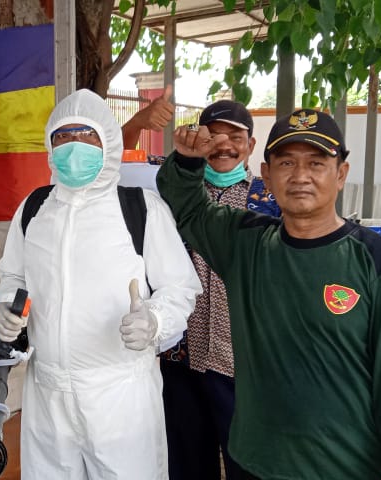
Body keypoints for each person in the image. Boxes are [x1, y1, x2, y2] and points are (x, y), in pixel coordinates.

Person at [156, 108, 381, 479]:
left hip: (345, 467)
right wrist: (189, 160)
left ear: (341, 174)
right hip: (257, 462)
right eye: (286, 163)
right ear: (267, 175)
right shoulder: (245, 244)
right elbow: (188, 206)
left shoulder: (374, 258)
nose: (301, 176)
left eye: (317, 163)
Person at [0, 89, 201, 479]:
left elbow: (180, 288)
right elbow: (15, 276)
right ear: (49, 145)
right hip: (47, 394)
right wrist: (6, 308)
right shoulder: (35, 208)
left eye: (86, 136)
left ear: (108, 141)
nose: (74, 147)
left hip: (120, 394)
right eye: (63, 136)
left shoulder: (140, 209)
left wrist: (155, 321)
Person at [158, 99, 280, 480]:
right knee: (187, 464)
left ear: (251, 144)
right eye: (214, 135)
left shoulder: (271, 199)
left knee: (249, 464)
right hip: (181, 358)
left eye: (236, 136)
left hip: (242, 363)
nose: (224, 144)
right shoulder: (173, 195)